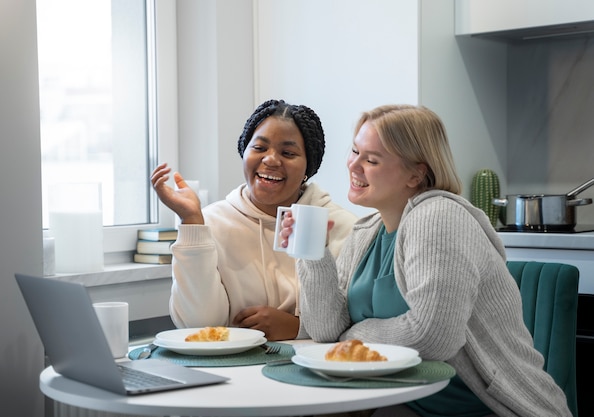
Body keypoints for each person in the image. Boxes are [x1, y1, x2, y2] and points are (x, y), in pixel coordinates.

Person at [280, 104, 571, 416]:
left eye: (372, 159)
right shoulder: (366, 232)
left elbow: (432, 338)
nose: (354, 165)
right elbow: (325, 331)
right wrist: (313, 253)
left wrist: (353, 335)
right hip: (401, 399)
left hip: (479, 409)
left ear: (416, 173)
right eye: (355, 151)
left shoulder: (438, 217)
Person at [151, 99, 357, 341]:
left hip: (316, 370)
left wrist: (297, 328)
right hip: (234, 372)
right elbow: (198, 325)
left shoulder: (343, 227)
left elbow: (352, 321)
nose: (270, 160)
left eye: (288, 153)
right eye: (259, 148)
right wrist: (192, 222)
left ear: (308, 168)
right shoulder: (211, 222)